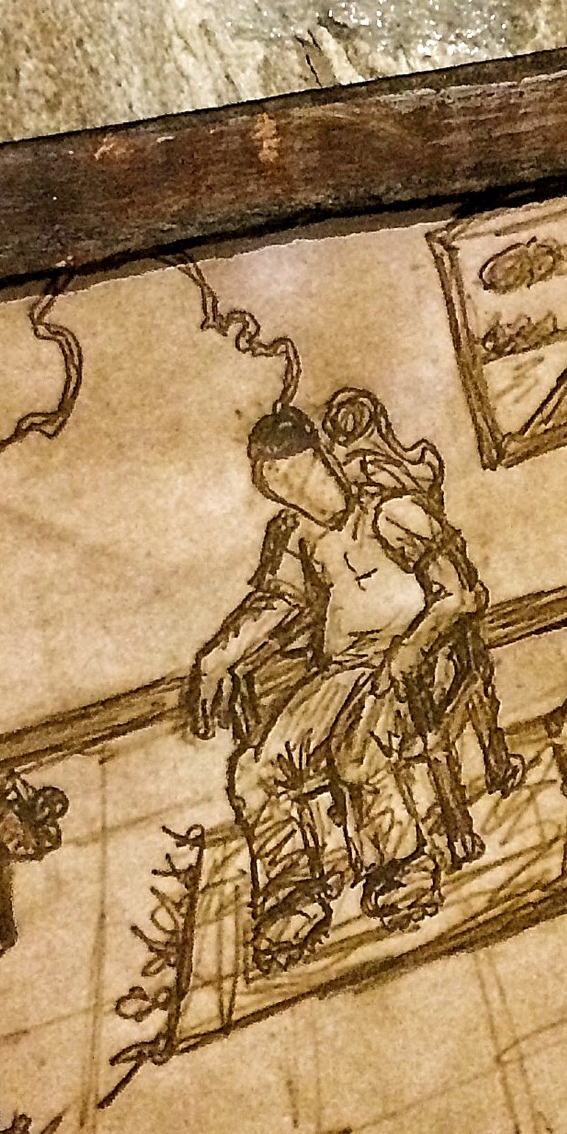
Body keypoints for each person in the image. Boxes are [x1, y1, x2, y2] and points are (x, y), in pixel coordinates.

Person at [185, 397, 486, 969]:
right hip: (345, 671)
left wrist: (406, 653)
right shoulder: (298, 538)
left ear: (318, 457)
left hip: (417, 659)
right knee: (255, 769)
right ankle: (296, 891)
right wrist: (216, 659)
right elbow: (275, 603)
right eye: (272, 481)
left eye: (290, 471)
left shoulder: (391, 513)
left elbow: (460, 594)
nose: (285, 489)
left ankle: (402, 867)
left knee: (356, 754)